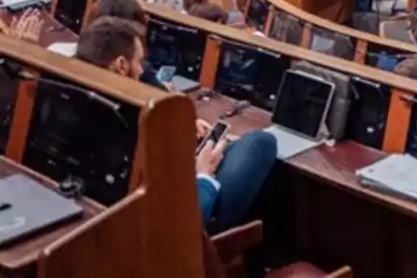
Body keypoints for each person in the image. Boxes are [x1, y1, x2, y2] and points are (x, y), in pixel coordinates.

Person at [76, 17, 277, 234]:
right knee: (261, 142)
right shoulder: (121, 128)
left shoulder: (80, 106)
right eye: (139, 62)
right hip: (172, 236)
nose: (142, 71)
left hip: (111, 219)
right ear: (121, 65)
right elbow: (175, 227)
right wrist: (203, 176)